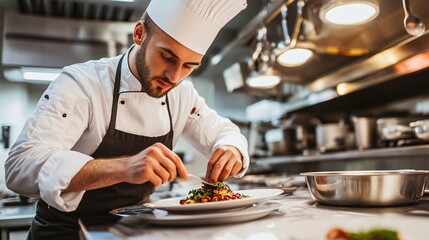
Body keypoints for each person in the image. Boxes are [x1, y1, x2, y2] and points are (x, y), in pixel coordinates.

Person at [4, 0, 249, 239]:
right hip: (65, 232)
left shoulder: (182, 94)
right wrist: (125, 167)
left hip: (133, 231)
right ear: (140, 33)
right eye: (167, 56)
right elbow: (19, 167)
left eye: (188, 66)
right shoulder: (82, 84)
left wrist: (231, 149)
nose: (174, 76)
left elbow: (223, 132)